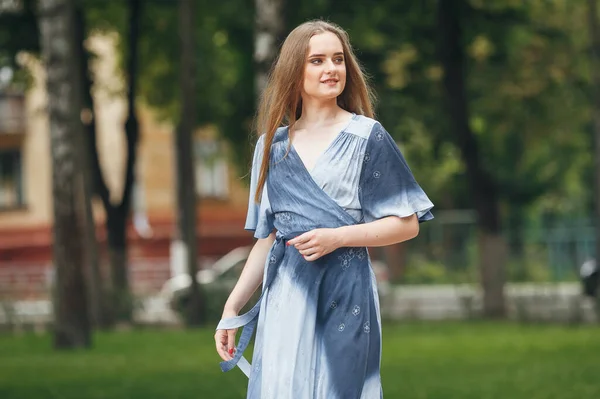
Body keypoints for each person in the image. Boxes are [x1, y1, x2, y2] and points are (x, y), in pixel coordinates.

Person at [214, 19, 434, 398]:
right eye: (317, 60)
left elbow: (407, 223)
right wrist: (232, 307)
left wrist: (338, 237)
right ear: (293, 70)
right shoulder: (271, 147)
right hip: (286, 298)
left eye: (338, 59)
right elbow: (267, 240)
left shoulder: (368, 136)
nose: (331, 69)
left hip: (347, 296)